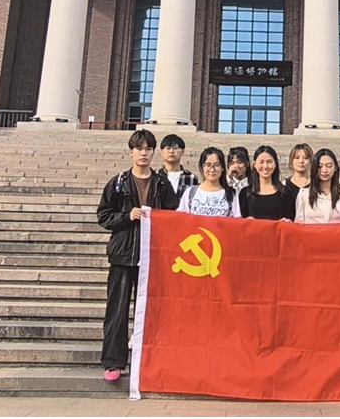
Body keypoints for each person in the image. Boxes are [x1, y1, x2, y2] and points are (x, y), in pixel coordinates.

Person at [97, 129, 178, 382]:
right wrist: (126, 216)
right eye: (139, 149)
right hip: (123, 255)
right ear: (131, 152)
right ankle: (113, 362)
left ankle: (151, 360)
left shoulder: (162, 184)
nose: (144, 153)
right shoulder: (118, 182)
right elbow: (104, 216)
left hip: (152, 256)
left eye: (148, 149)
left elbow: (173, 216)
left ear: (154, 153)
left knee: (153, 311)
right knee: (117, 310)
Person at [295, 148, 340, 224]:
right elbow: (298, 223)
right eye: (320, 166)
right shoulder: (304, 194)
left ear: (335, 167)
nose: (324, 170)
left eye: (329, 166)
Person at [178, 147, 242, 217]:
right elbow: (180, 218)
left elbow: (236, 220)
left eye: (216, 165)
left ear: (222, 168)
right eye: (208, 165)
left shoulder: (230, 195)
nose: (212, 170)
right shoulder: (190, 192)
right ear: (202, 167)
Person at [239, 145, 294, 220]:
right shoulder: (245, 194)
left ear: (275, 164)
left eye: (269, 162)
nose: (265, 166)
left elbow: (291, 220)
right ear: (255, 164)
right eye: (261, 162)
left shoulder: (286, 193)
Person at [155, 134, 198, 201]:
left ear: (182, 152)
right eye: (168, 148)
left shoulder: (191, 177)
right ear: (162, 152)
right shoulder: (155, 176)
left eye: (175, 148)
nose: (171, 151)